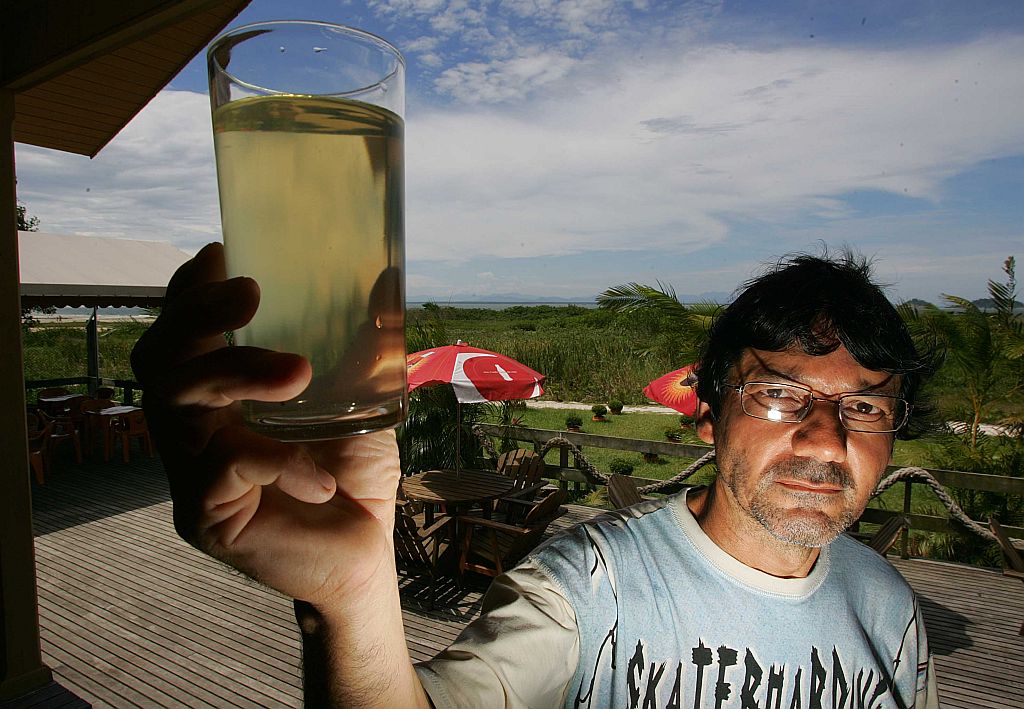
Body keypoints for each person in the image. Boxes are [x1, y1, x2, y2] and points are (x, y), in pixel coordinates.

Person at [132, 245, 940, 708]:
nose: (825, 438)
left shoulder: (888, 607)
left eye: (865, 408)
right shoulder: (589, 591)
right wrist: (347, 605)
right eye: (777, 393)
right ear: (709, 410)